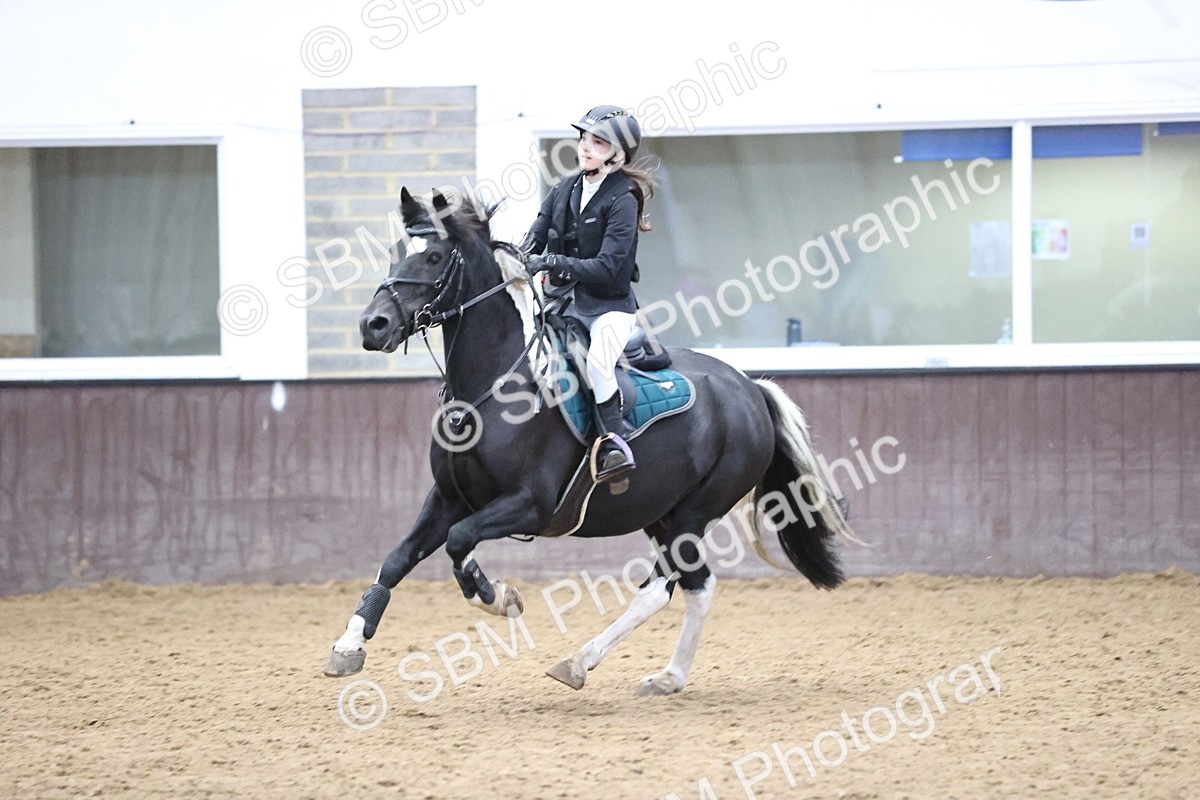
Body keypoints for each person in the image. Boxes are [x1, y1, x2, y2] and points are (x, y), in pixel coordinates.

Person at [523, 105, 657, 483]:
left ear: (618, 155)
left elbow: (607, 267)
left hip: (608, 308)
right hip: (561, 303)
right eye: (584, 139)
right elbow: (536, 234)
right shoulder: (565, 187)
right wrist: (518, 258)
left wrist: (550, 262)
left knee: (598, 363)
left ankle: (613, 443)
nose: (585, 147)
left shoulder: (623, 198)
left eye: (597, 143)